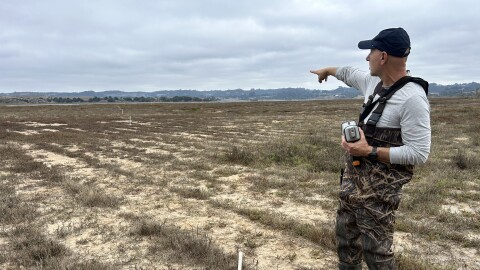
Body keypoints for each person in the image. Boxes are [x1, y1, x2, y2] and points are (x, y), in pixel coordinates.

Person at [310, 27, 431, 270]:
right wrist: (328, 71)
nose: (367, 58)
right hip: (351, 190)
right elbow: (348, 73)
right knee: (346, 248)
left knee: (378, 257)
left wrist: (369, 151)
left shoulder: (412, 98)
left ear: (383, 57)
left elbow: (419, 152)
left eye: (371, 52)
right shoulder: (373, 83)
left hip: (379, 198)